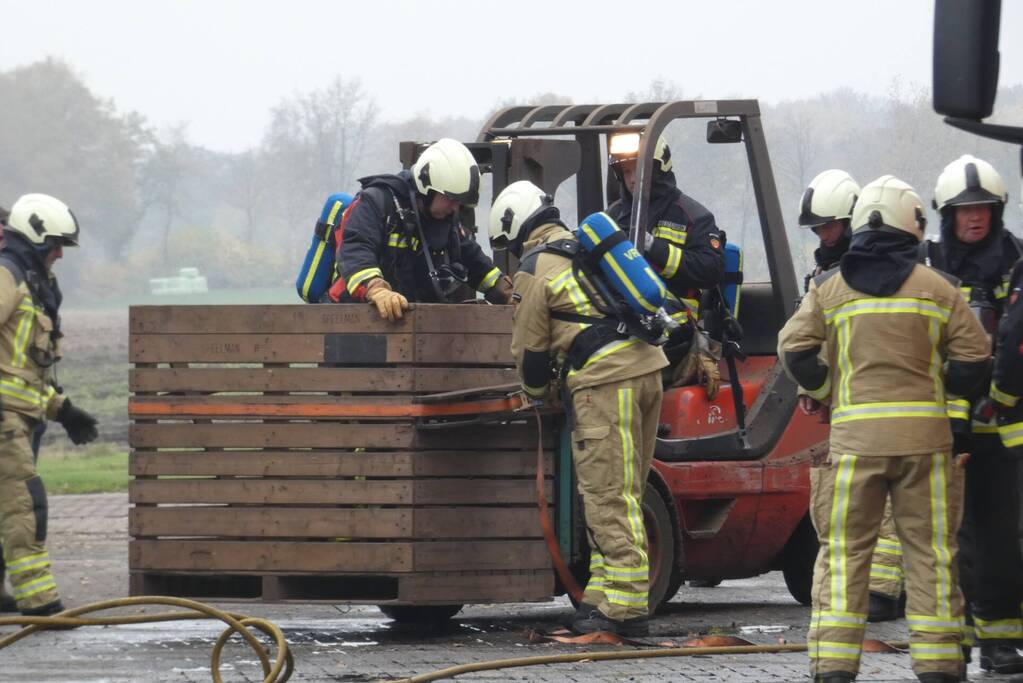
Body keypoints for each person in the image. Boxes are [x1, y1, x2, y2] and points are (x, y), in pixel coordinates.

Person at [779, 175, 992, 683]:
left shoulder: (831, 290)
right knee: (932, 554)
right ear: (911, 226)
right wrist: (943, 390)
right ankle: (940, 664)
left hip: (854, 446)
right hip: (927, 447)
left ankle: (833, 665)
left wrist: (830, 390)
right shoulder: (939, 289)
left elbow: (794, 348)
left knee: (843, 553)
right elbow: (976, 357)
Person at [490, 180, 668, 635]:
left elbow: (529, 350)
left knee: (607, 493)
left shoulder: (535, 267)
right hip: (647, 371)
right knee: (626, 488)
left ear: (516, 228)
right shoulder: (581, 249)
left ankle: (626, 609)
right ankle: (604, 596)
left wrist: (535, 393)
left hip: (606, 384)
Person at [925, 155, 1023, 676]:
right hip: (941, 426)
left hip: (1004, 429)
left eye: (983, 207)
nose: (975, 217)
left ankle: (1002, 640)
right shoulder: (927, 264)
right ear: (947, 214)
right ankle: (953, 637)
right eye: (964, 210)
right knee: (947, 538)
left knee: (1002, 537)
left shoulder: (1017, 262)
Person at [797, 169, 908, 622]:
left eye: (830, 226)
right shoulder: (823, 274)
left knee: (880, 496)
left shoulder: (871, 271)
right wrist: (812, 388)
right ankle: (867, 587)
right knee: (842, 494)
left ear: (852, 219)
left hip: (872, 394)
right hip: (838, 399)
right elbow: (808, 334)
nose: (824, 235)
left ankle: (883, 590)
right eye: (818, 228)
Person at [0, 193, 99, 617]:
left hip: (18, 414)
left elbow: (19, 371)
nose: (60, 253)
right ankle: (38, 601)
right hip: (5, 420)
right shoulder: (8, 277)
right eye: (56, 244)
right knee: (25, 504)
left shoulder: (31, 282)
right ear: (37, 236)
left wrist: (63, 410)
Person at [332, 138, 512, 319]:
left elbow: (473, 260)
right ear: (427, 186)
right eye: (450, 199)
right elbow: (356, 250)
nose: (454, 208)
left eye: (459, 202)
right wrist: (377, 290)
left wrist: (504, 291)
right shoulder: (376, 203)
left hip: (413, 323)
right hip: (358, 321)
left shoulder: (444, 218)